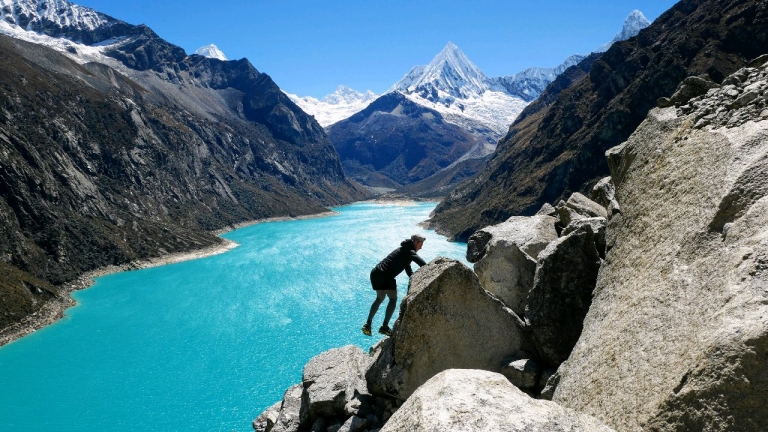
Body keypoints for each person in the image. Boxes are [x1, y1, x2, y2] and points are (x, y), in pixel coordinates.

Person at [362, 234, 427, 337]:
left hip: (376, 273)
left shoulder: (403, 249)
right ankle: (384, 327)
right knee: (393, 299)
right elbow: (423, 264)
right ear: (415, 242)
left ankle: (368, 324)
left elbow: (408, 268)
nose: (421, 247)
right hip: (386, 276)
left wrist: (413, 278)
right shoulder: (410, 251)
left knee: (380, 298)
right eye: (420, 244)